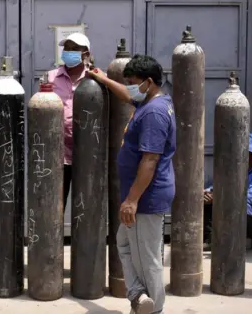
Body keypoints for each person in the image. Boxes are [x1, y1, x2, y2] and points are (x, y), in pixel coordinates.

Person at [88, 54, 176, 314]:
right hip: (141, 194)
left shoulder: (155, 114)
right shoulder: (149, 100)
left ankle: (154, 309)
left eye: (134, 82)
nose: (130, 86)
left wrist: (132, 200)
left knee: (147, 259)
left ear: (148, 82)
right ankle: (139, 297)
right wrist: (101, 78)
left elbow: (150, 160)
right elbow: (127, 95)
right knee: (124, 244)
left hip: (146, 198)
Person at [48, 32, 91, 207]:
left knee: (85, 207)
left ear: (86, 54)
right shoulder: (51, 77)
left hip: (87, 155)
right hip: (58, 155)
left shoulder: (94, 78)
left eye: (75, 49)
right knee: (55, 205)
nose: (69, 52)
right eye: (67, 48)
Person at [203, 132, 252, 250]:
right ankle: (209, 239)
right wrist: (206, 193)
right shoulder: (233, 170)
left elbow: (248, 199)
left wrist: (218, 197)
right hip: (239, 217)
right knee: (205, 200)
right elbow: (216, 186)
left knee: (236, 205)